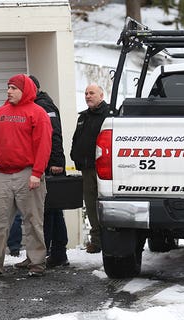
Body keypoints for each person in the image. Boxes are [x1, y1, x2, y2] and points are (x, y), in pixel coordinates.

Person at [0, 74, 52, 277]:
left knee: (33, 221)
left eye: (13, 88)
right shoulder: (1, 112)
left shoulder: (38, 113)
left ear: (25, 90)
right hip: (3, 175)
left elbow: (44, 146)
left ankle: (36, 263)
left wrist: (37, 173)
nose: (9, 91)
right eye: (8, 87)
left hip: (28, 174)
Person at [7, 75, 69, 267]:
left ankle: (44, 254)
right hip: (46, 164)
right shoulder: (39, 104)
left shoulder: (44, 106)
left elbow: (54, 134)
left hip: (50, 165)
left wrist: (56, 161)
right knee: (52, 211)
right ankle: (57, 253)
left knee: (47, 211)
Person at [70, 83, 109, 254]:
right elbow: (76, 139)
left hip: (104, 170)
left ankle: (110, 240)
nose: (87, 96)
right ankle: (97, 240)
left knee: (106, 204)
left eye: (91, 93)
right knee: (91, 206)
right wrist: (75, 155)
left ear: (101, 95)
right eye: (86, 93)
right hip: (86, 168)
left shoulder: (110, 115)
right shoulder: (83, 117)